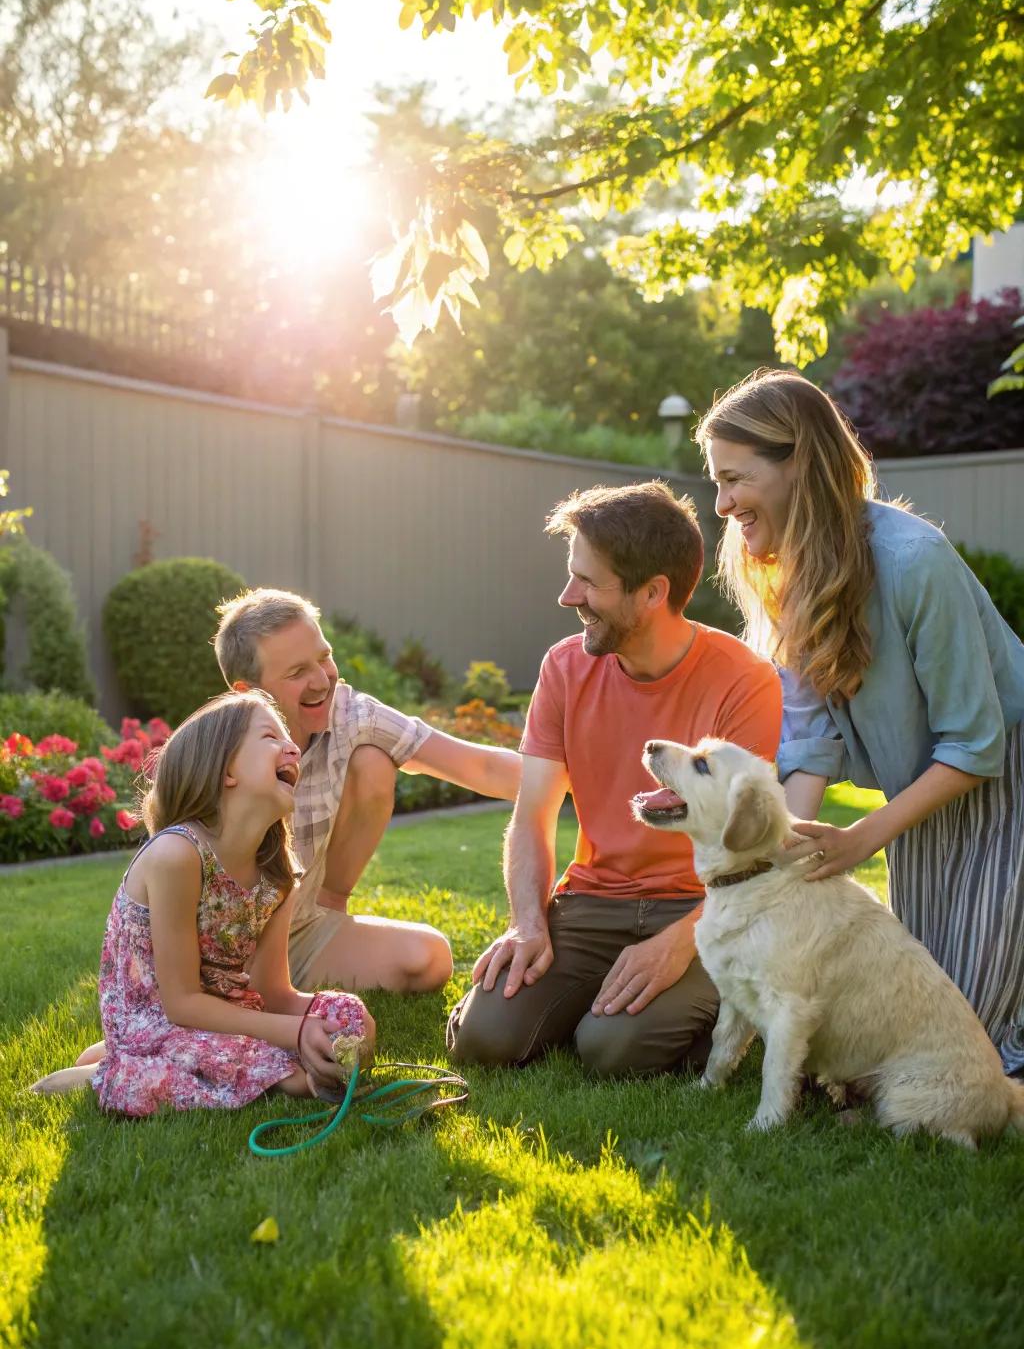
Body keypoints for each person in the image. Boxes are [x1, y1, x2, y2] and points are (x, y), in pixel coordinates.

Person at [696, 368, 1024, 1075]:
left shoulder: (914, 560)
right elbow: (811, 736)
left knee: (980, 1040)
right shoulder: (786, 577)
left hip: (1004, 784)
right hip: (926, 791)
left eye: (734, 480)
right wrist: (776, 860)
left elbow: (977, 742)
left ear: (798, 465)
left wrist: (857, 841)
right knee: (918, 1010)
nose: (721, 504)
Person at [446, 481, 782, 1076]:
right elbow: (532, 815)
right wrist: (527, 924)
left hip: (701, 909)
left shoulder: (743, 680)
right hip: (591, 902)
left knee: (611, 1050)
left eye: (588, 582)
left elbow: (755, 850)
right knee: (486, 1039)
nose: (566, 595)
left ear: (652, 593)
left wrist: (679, 944)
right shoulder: (563, 667)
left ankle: (727, 1010)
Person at [32, 691, 372, 1113]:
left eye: (290, 740)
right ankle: (114, 1072)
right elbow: (182, 1003)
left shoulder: (278, 873)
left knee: (350, 1018)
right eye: (270, 736)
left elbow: (273, 993)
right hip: (162, 1019)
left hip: (222, 1017)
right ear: (226, 770)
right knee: (296, 1078)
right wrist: (295, 1034)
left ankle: (127, 1058)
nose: (293, 748)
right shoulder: (177, 855)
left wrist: (325, 1021)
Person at [214, 589, 521, 993]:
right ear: (247, 693)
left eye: (324, 657)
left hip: (303, 933)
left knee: (428, 959)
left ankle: (328, 910)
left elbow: (481, 766)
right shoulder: (218, 762)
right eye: (296, 673)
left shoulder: (351, 714)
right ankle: (243, 998)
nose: (321, 679)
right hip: (224, 952)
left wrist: (587, 774)